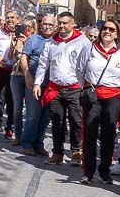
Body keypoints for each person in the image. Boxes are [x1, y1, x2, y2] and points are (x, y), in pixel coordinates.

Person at [33, 12, 89, 165]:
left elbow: (88, 64)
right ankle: (57, 152)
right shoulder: (51, 42)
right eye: (61, 23)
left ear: (72, 24)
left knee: (76, 120)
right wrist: (37, 83)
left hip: (75, 87)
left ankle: (76, 151)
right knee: (57, 121)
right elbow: (43, 64)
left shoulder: (82, 41)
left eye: (66, 23)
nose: (63, 26)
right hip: (55, 88)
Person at [79, 20, 120, 184]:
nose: (107, 31)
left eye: (112, 29)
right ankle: (88, 171)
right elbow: (80, 70)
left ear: (117, 33)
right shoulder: (89, 48)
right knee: (90, 132)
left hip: (114, 95)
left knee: (109, 133)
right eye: (105, 28)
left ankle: (104, 171)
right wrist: (88, 88)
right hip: (93, 94)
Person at [19, 14, 56, 155]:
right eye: (45, 24)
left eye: (50, 25)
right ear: (40, 25)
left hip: (51, 85)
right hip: (34, 83)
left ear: (55, 26)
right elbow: (24, 56)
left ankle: (38, 144)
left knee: (45, 117)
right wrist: (27, 74)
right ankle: (27, 143)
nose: (47, 27)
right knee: (33, 115)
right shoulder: (33, 39)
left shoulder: (56, 41)